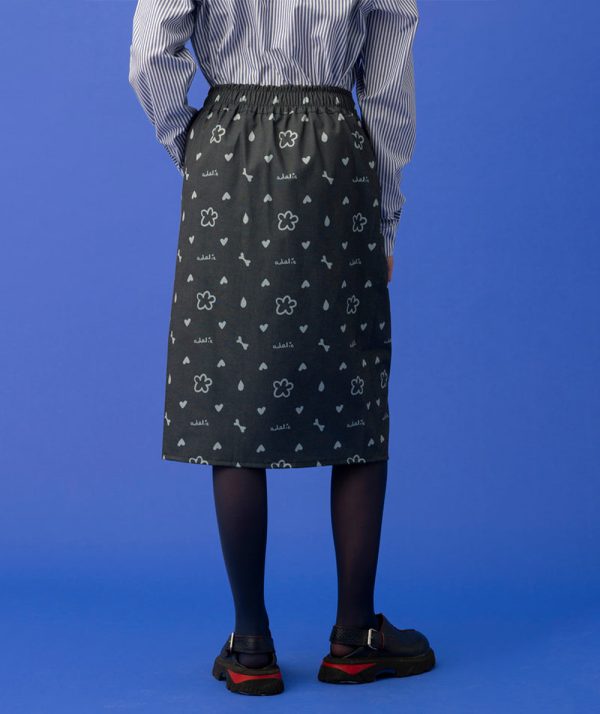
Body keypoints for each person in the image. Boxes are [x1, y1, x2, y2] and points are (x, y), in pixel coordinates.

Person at [129, 0, 434, 696]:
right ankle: (354, 639)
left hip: (226, 147)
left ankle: (251, 646)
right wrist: (386, 216)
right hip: (334, 154)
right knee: (355, 389)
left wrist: (196, 148)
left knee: (232, 395)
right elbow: (388, 83)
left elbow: (149, 57)